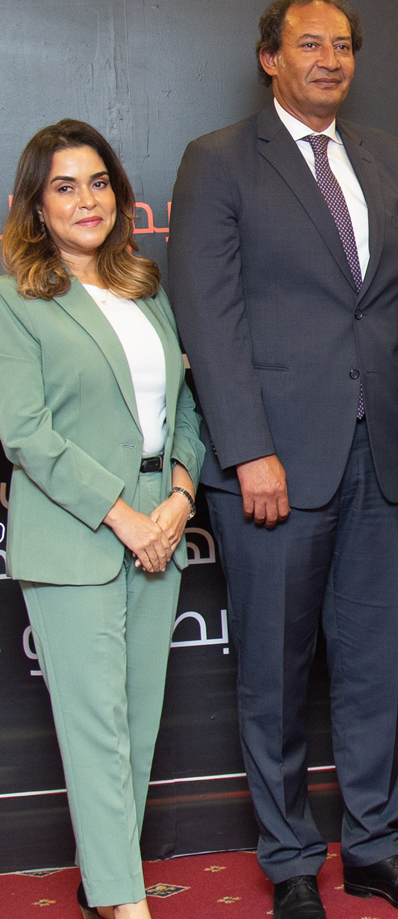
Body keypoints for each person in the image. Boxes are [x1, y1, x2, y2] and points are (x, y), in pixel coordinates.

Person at [165, 0, 398, 918]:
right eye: (309, 45)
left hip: (386, 460)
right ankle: (291, 861)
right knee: (275, 676)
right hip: (276, 467)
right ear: (270, 59)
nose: (329, 60)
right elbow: (208, 316)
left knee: (373, 670)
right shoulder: (219, 161)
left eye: (342, 46)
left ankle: (374, 849)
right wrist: (248, 449)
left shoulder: (391, 158)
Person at [0, 120, 205, 919]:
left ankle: (102, 885)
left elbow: (187, 408)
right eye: (65, 186)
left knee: (137, 724)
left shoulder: (145, 287)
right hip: (77, 533)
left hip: (161, 524)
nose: (86, 200)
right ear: (36, 204)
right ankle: (127, 904)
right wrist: (124, 516)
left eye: (98, 183)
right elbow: (25, 433)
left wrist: (180, 497)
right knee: (96, 730)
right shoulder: (16, 297)